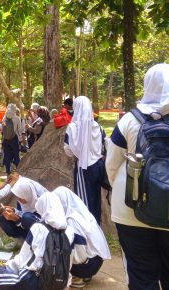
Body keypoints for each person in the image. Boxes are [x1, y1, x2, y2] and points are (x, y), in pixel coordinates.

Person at [106, 63, 169, 290]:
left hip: (131, 209)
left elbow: (111, 165)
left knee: (141, 275)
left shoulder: (130, 120)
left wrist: (126, 190)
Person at [0, 193, 74, 290]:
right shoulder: (70, 231)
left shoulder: (39, 227)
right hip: (61, 283)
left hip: (35, 282)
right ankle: (1, 280)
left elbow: (23, 258)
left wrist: (7, 267)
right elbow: (69, 259)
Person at [53, 186, 111, 288]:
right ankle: (85, 274)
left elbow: (79, 250)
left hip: (88, 263)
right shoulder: (80, 212)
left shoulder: (72, 220)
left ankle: (78, 277)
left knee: (57, 255)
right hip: (95, 260)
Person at [64, 96, 105, 224]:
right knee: (96, 199)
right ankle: (97, 228)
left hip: (84, 167)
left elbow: (68, 150)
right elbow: (104, 145)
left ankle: (88, 232)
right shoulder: (98, 127)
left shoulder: (72, 128)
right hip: (98, 166)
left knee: (84, 202)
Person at [0, 176, 47, 241]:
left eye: (20, 197)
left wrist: (17, 219)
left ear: (27, 194)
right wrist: (14, 210)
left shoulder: (43, 203)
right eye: (17, 196)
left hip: (41, 234)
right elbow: (22, 213)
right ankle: (22, 239)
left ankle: (33, 242)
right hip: (26, 229)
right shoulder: (24, 202)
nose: (18, 199)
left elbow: (42, 225)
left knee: (27, 218)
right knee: (3, 218)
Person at [1, 104, 23, 175]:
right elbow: (19, 129)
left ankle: (8, 171)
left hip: (6, 138)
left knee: (7, 155)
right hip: (14, 138)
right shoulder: (17, 118)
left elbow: (2, 129)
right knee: (16, 155)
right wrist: (20, 138)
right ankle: (18, 171)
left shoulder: (4, 117)